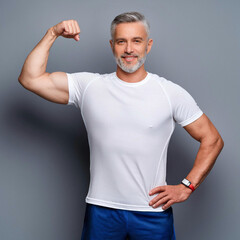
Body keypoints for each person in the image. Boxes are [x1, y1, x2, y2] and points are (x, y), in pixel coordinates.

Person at [18, 12, 224, 240]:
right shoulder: (89, 87)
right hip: (101, 211)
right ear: (112, 46)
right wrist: (52, 33)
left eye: (136, 41)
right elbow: (30, 78)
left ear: (148, 45)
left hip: (152, 213)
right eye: (121, 41)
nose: (129, 49)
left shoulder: (170, 93)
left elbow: (212, 139)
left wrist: (186, 186)